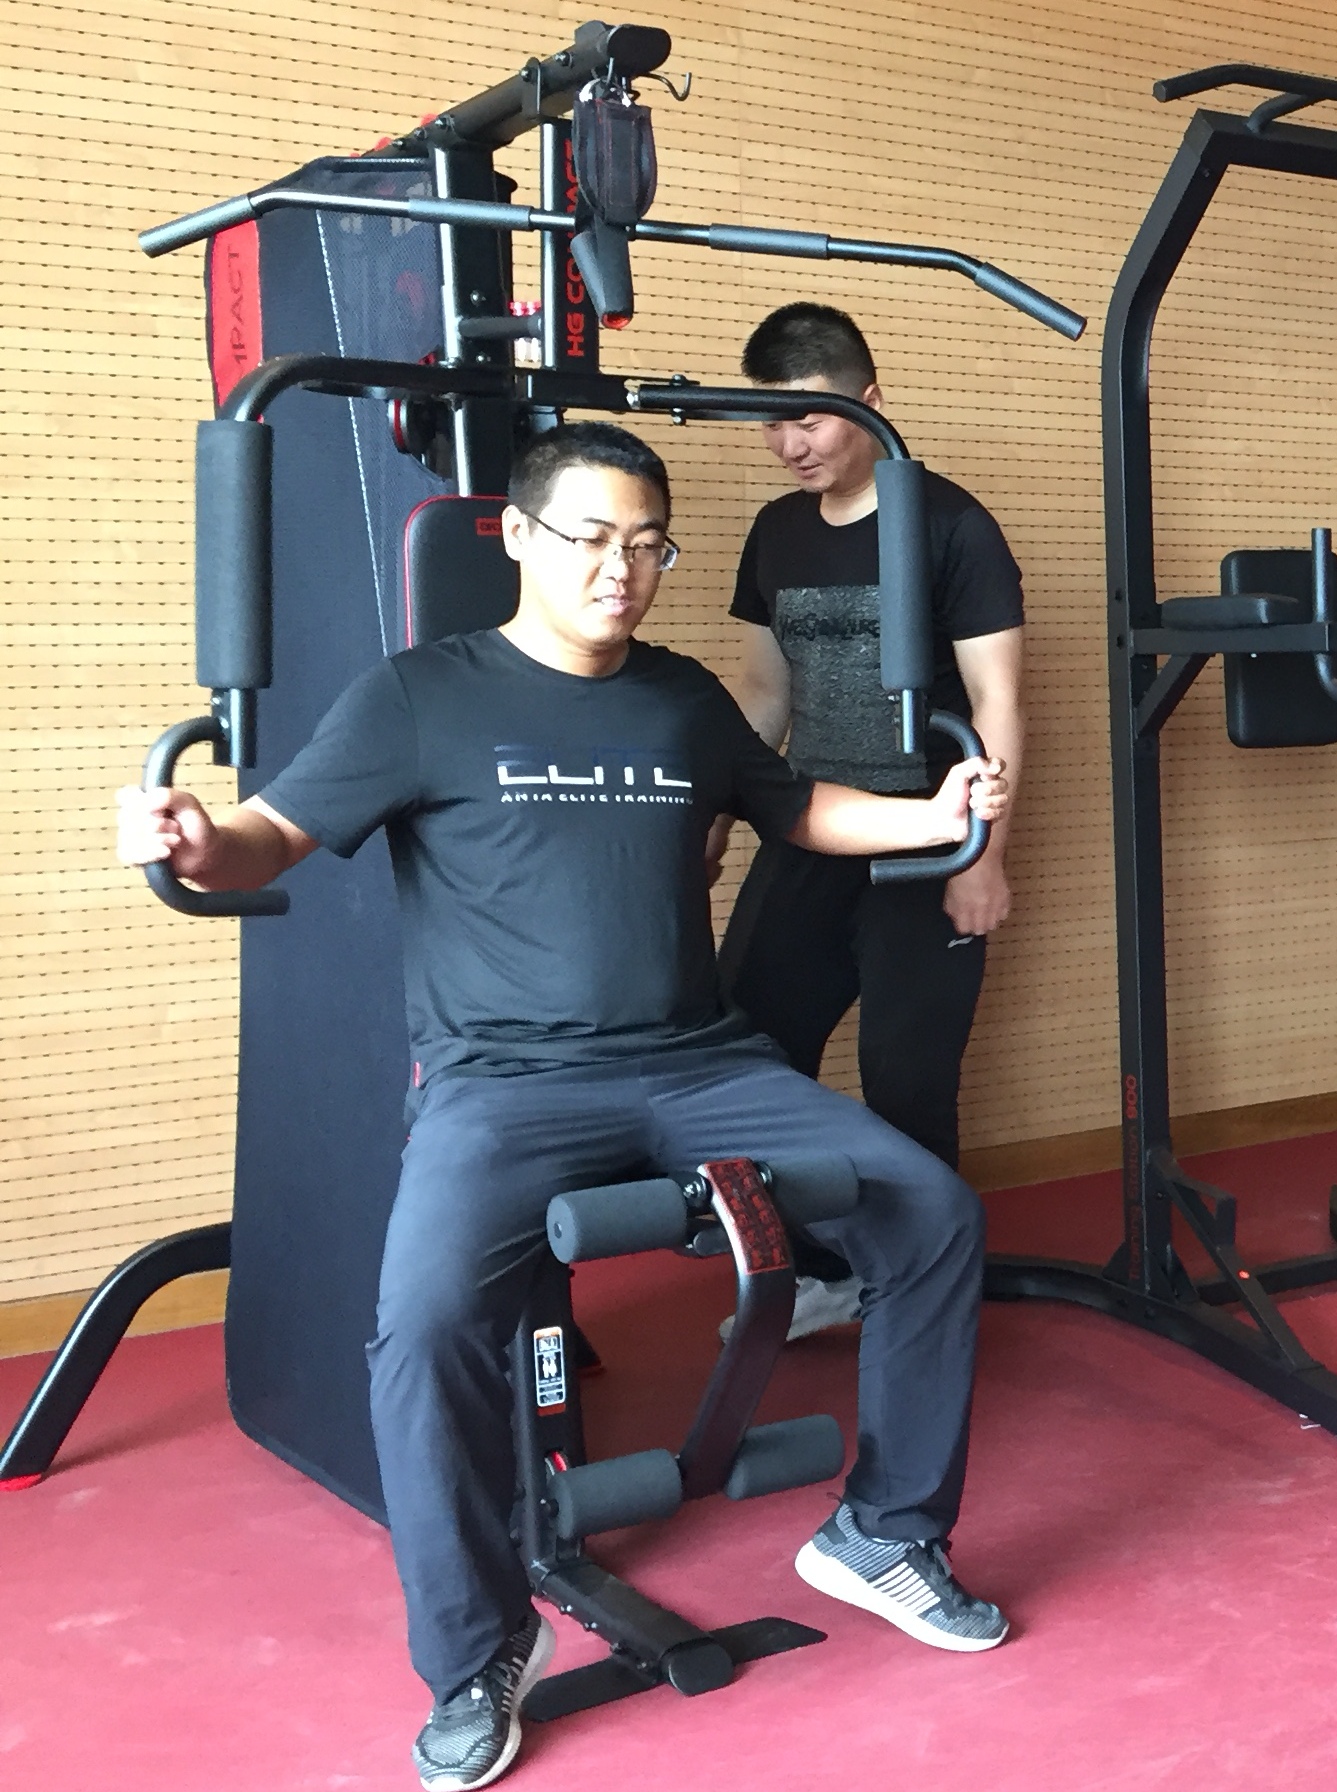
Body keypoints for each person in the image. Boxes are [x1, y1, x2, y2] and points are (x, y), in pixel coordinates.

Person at [117, 424, 1018, 1792]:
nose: (621, 570)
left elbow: (798, 809)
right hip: (505, 1084)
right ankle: (477, 1651)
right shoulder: (421, 695)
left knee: (931, 1210)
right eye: (591, 539)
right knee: (423, 1326)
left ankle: (884, 1534)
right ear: (522, 540)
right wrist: (199, 841)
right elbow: (271, 836)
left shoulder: (683, 698)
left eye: (647, 545)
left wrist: (939, 812)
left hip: (703, 1062)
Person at [713, 304, 1026, 1338]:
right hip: (811, 824)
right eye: (773, 423)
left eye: (808, 419)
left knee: (908, 1077)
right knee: (749, 1047)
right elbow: (765, 694)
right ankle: (811, 1274)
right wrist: (718, 818)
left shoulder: (952, 525)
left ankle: (921, 1296)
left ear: (870, 402)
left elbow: (999, 704)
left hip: (931, 835)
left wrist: (981, 857)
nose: (789, 445)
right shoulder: (776, 531)